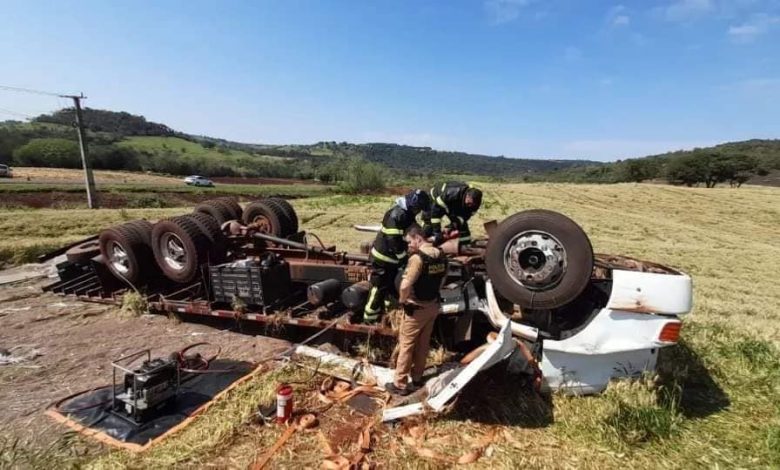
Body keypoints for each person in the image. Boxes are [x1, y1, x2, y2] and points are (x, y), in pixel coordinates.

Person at [385, 224, 448, 395]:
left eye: (409, 242)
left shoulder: (417, 259)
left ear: (418, 238)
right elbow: (443, 279)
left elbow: (405, 284)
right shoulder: (441, 255)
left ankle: (399, 384)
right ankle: (418, 378)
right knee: (423, 343)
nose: (408, 246)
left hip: (416, 310)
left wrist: (402, 300)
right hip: (433, 306)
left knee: (407, 344)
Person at [363, 189, 431, 324]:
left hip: (392, 259)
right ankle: (369, 319)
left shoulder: (406, 214)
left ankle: (387, 315)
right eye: (418, 209)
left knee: (390, 287)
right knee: (379, 288)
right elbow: (393, 241)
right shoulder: (396, 215)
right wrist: (404, 259)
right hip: (383, 258)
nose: (418, 212)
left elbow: (413, 229)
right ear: (414, 205)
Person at [422, 181, 482, 248]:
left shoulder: (475, 203)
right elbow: (435, 215)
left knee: (462, 225)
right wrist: (437, 232)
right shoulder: (451, 193)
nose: (469, 205)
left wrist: (452, 226)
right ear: (467, 195)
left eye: (472, 204)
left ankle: (465, 246)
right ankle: (424, 243)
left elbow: (464, 217)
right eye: (469, 203)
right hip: (435, 200)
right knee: (429, 223)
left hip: (453, 204)